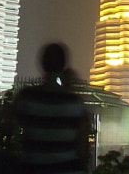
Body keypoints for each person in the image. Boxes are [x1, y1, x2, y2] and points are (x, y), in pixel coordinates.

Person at [15, 43, 90, 174]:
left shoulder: (27, 98)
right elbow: (82, 150)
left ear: (41, 63)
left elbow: (9, 126)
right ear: (63, 65)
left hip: (35, 168)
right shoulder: (75, 103)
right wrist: (68, 87)